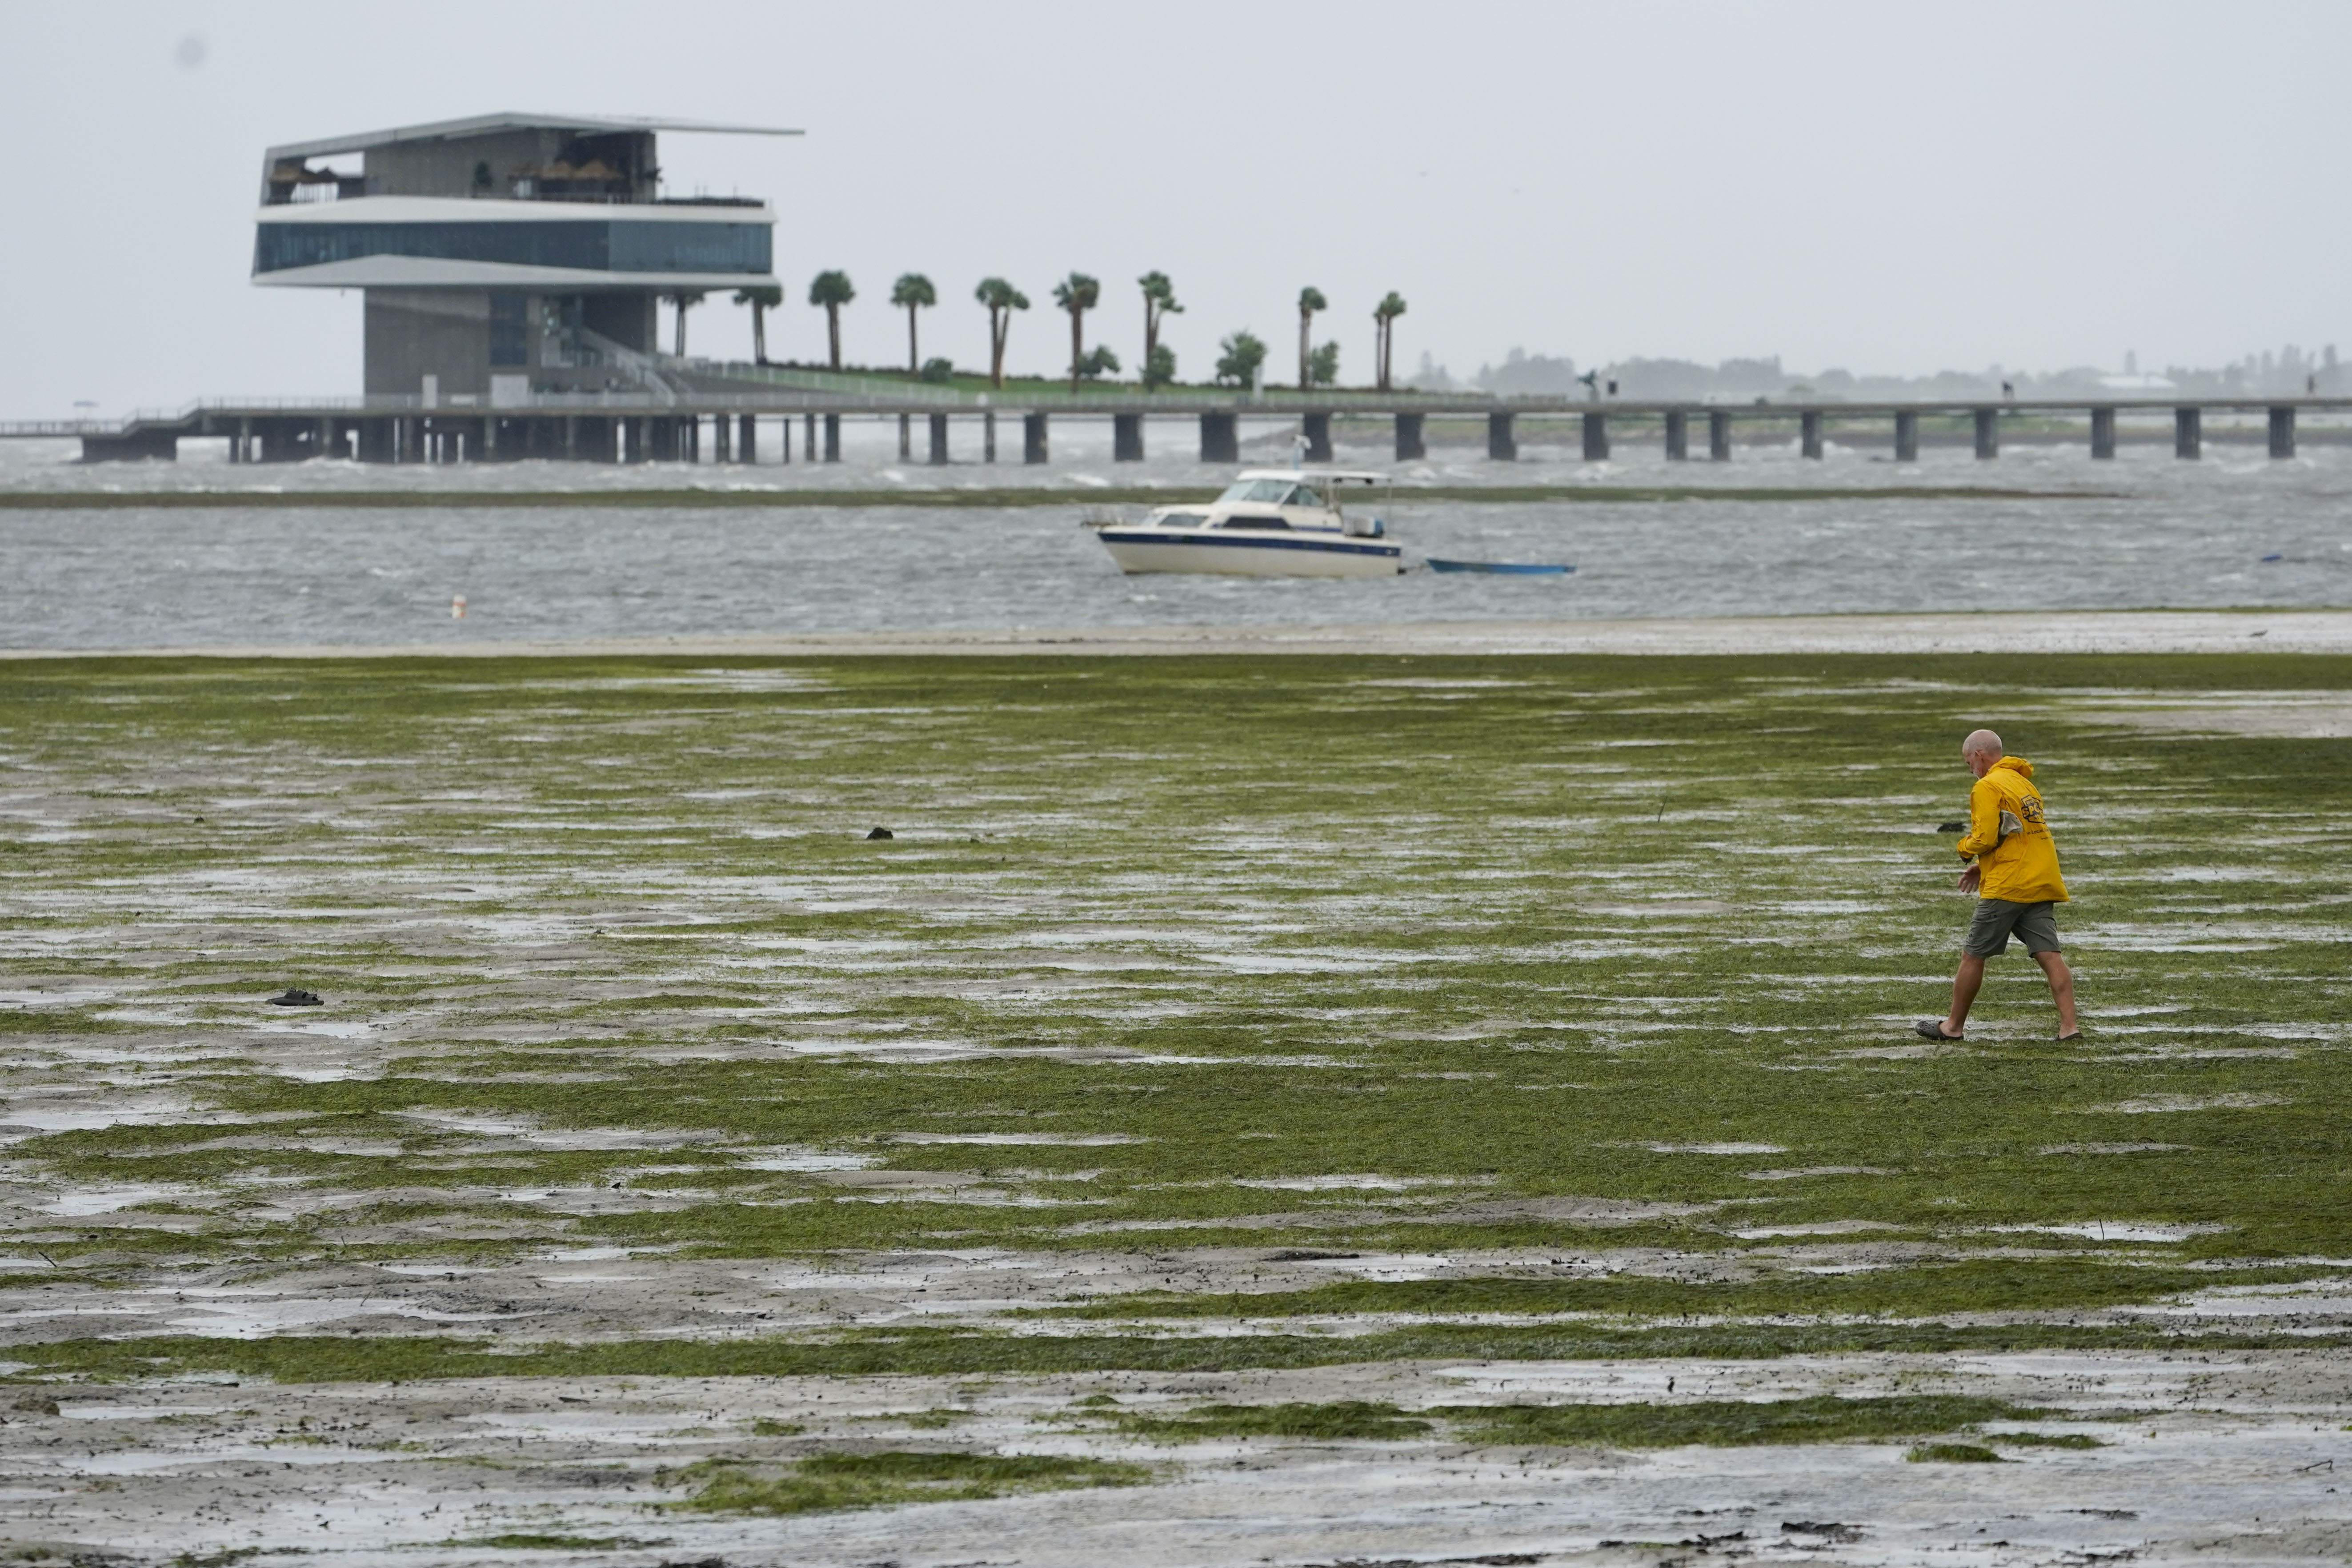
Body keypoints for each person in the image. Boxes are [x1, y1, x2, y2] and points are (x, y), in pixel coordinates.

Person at [1918, 729, 2078, 1041]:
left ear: (1979, 756)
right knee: (2049, 954)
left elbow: (1986, 837)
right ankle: (2069, 1027)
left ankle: (1952, 1027)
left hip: (2008, 886)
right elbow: (2016, 834)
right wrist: (1984, 865)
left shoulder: (1987, 785)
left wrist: (1964, 849)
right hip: (2040, 878)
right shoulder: (2023, 783)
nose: (1970, 771)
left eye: (1968, 763)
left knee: (1973, 955)